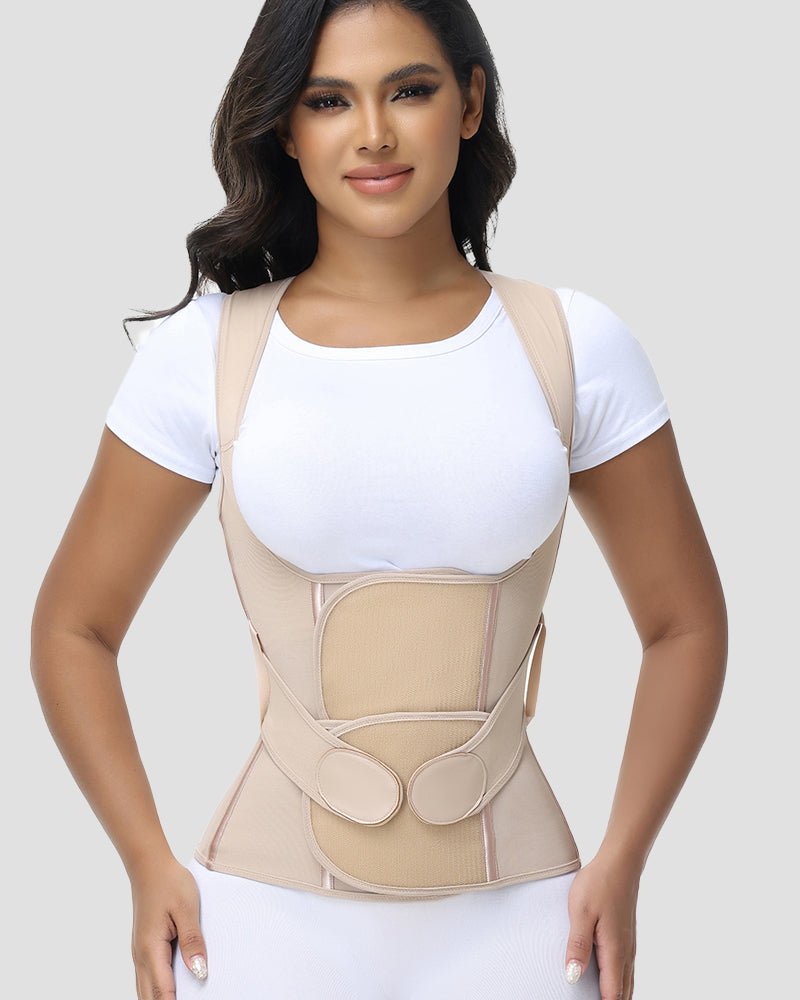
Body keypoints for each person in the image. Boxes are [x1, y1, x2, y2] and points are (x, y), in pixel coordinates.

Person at [29, 1, 728, 998]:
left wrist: (626, 858)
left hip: (526, 923)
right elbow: (73, 626)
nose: (372, 133)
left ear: (469, 102)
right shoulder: (207, 355)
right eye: (327, 100)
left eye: (409, 90)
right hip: (260, 924)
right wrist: (145, 861)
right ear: (285, 126)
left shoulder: (572, 345)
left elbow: (683, 623)